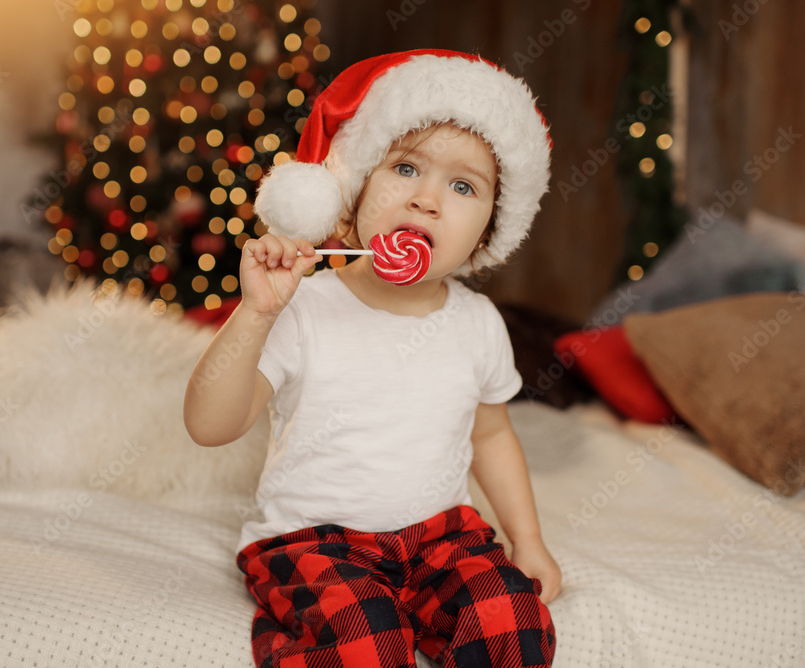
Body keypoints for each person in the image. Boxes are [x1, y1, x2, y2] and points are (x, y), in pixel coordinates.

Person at [185, 49, 559, 668]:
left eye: (464, 186)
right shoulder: (302, 308)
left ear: (488, 233)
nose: (428, 200)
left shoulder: (477, 324)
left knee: (513, 622)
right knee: (367, 644)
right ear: (352, 194)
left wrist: (530, 541)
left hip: (442, 538)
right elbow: (209, 426)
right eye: (406, 167)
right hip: (315, 542)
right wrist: (254, 314)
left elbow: (491, 435)